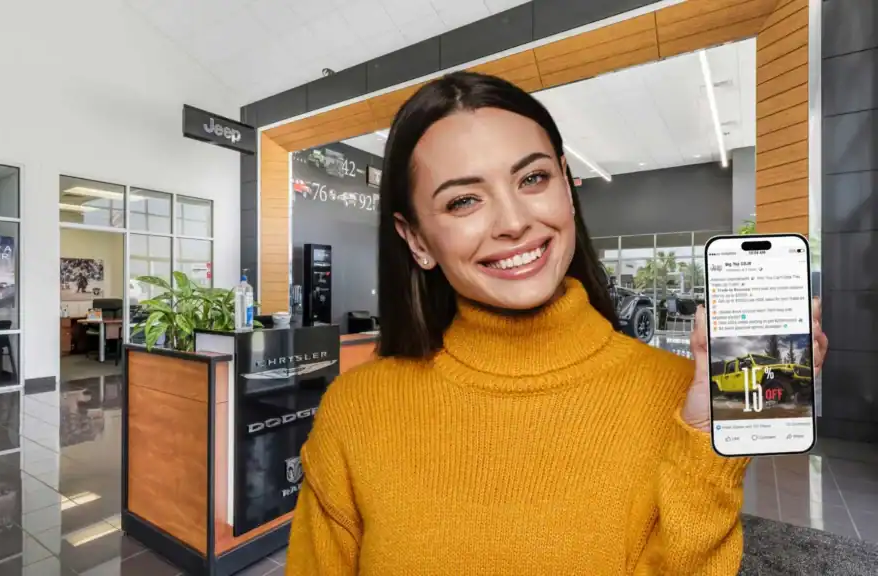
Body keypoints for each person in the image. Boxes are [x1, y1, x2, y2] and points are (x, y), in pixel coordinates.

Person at [287, 72, 828, 575]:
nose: (515, 221)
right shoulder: (356, 411)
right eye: (464, 200)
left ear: (567, 187)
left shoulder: (682, 402)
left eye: (533, 177)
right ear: (417, 240)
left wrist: (711, 439)